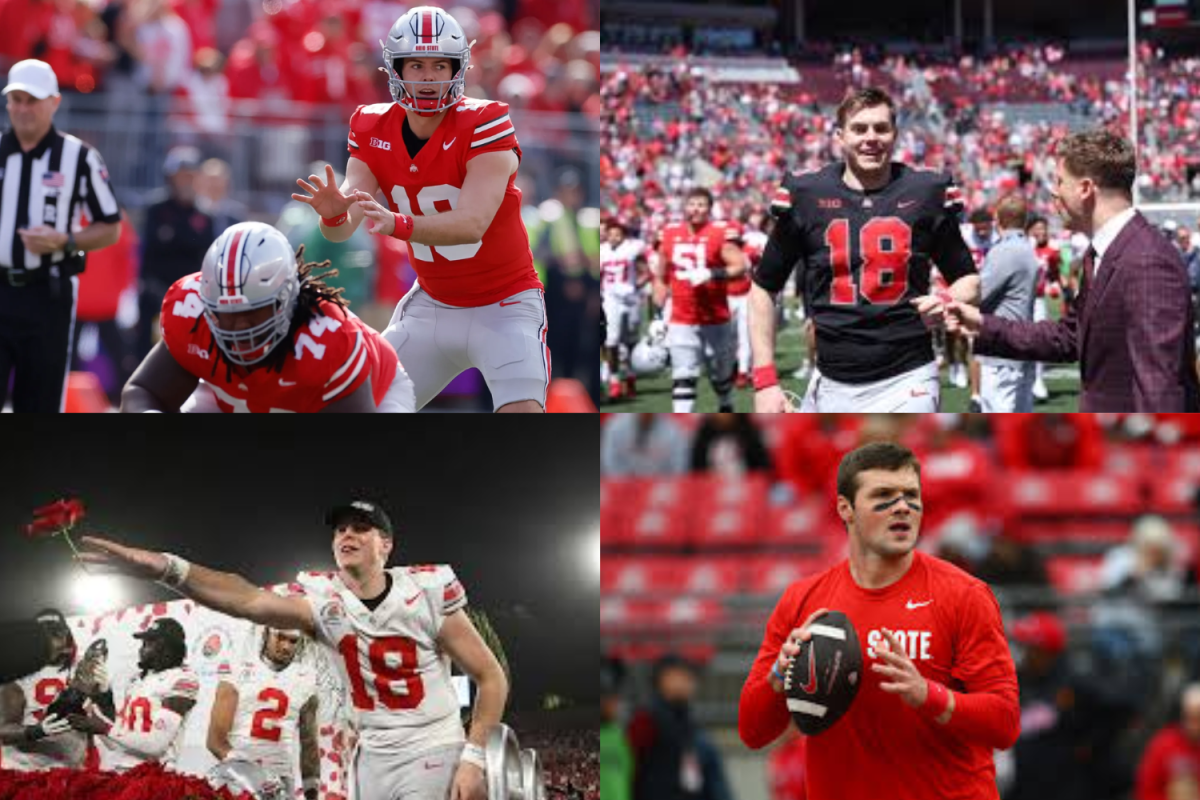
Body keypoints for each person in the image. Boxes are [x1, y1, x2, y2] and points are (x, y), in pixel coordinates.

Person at [77, 499, 509, 800]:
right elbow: (246, 598)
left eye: (361, 527)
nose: (347, 534)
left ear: (387, 545)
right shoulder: (323, 602)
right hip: (371, 754)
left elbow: (490, 679)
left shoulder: (427, 591)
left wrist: (472, 757)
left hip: (431, 744)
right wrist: (168, 568)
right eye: (341, 528)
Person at [292, 6, 549, 413]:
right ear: (395, 68)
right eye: (416, 64)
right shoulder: (370, 125)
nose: (428, 78)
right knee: (357, 411)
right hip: (432, 307)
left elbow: (472, 224)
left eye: (438, 65)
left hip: (504, 305)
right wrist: (332, 214)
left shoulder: (486, 121)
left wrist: (396, 222)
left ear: (457, 69)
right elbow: (342, 227)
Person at [738, 442, 1020, 800]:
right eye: (884, 495)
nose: (903, 506)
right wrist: (779, 677)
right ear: (846, 508)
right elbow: (752, 731)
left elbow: (1004, 724)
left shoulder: (965, 594)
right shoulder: (803, 601)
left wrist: (929, 695)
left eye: (911, 495)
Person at [749, 87, 980, 413]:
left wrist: (944, 300)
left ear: (895, 135)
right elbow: (762, 289)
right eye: (860, 129)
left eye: (881, 128)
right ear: (840, 136)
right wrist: (765, 381)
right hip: (829, 378)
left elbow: (969, 280)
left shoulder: (926, 191)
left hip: (907, 376)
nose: (871, 138)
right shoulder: (806, 193)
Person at [945, 129, 1200, 411]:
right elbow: (1068, 337)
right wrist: (980, 324)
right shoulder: (1107, 252)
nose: (1053, 191)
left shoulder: (1146, 260)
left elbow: (1159, 388)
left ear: (1086, 188)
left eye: (1060, 181)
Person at [120, 221, 415, 412]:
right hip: (236, 392)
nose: (239, 328)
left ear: (288, 298)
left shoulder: (329, 338)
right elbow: (142, 391)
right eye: (227, 314)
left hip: (371, 393)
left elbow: (351, 450)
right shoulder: (191, 313)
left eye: (253, 311)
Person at [0, 59, 121, 412]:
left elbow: (110, 226)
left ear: (54, 102)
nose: (22, 109)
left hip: (48, 294)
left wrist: (66, 240)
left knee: (38, 404)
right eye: (16, 99)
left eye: (31, 100)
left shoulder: (79, 157)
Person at [1005, 611, 1134, 800]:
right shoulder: (1018, 680)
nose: (1022, 654)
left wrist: (1090, 747)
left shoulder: (1074, 680)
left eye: (1028, 648)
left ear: (1046, 652)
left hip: (1066, 785)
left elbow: (1120, 708)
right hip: (1025, 782)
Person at [68, 617, 200, 772]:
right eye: (143, 642)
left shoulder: (182, 679)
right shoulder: (136, 680)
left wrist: (104, 727)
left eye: (151, 642)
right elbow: (118, 742)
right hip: (120, 772)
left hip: (153, 778)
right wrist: (97, 711)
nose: (143, 648)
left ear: (169, 647)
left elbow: (156, 745)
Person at [655, 187, 745, 412]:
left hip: (716, 317)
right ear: (684, 206)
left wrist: (712, 273)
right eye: (692, 204)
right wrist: (658, 315)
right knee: (683, 375)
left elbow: (740, 266)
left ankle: (726, 404)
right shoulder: (669, 233)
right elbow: (660, 277)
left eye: (701, 204)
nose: (695, 209)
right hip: (681, 317)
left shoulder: (719, 232)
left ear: (709, 208)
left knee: (720, 375)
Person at [207, 626, 319, 800]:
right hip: (237, 775)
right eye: (280, 637)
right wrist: (253, 775)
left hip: (280, 779)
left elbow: (309, 745)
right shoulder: (237, 667)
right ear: (266, 633)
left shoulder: (306, 677)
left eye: (292, 641)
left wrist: (312, 795)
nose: (286, 647)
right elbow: (215, 741)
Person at [137, 146, 216, 366]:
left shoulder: (205, 215)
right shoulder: (156, 210)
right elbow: (152, 250)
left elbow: (205, 256)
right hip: (157, 294)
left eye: (189, 176)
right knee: (147, 351)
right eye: (179, 177)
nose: (184, 182)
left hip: (192, 295)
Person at [628, 655, 734, 800]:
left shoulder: (689, 723)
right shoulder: (646, 721)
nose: (688, 684)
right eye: (682, 676)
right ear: (663, 679)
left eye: (690, 678)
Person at [0, 610, 87, 770]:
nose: (51, 641)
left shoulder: (81, 666)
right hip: (26, 766)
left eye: (56, 633)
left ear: (66, 636)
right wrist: (38, 731)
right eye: (44, 635)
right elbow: (4, 732)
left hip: (70, 766)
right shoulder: (15, 671)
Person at [977, 193, 1039, 412]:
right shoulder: (1024, 247)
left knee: (997, 413)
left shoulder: (1006, 250)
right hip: (1019, 339)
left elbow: (979, 295)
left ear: (997, 219)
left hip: (1002, 344)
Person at [600, 219, 648, 401]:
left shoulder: (633, 248)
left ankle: (630, 376)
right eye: (610, 234)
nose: (613, 237)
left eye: (617, 234)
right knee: (611, 340)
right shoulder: (602, 251)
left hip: (631, 298)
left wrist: (638, 285)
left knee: (630, 342)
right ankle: (614, 381)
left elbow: (645, 270)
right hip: (610, 299)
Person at [1136, 684, 1200, 800]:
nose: (1194, 726)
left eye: (1198, 719)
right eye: (1190, 718)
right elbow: (1145, 789)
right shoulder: (1163, 743)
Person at [1026, 216, 1062, 401]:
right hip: (1019, 301)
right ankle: (1024, 381)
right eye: (1037, 228)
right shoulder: (1023, 247)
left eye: (1044, 228)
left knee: (1039, 339)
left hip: (1038, 300)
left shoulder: (1052, 250)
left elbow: (1054, 273)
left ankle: (1038, 379)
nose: (1041, 232)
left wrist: (1053, 284)